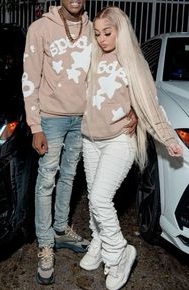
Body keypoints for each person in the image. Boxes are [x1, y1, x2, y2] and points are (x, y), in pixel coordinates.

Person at [22, 1, 137, 286]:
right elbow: (29, 79)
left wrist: (133, 106)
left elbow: (120, 68)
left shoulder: (94, 30)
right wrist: (35, 125)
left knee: (70, 177)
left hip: (84, 120)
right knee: (47, 178)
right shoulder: (39, 28)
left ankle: (61, 228)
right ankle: (46, 243)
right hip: (51, 118)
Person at [79, 6, 183, 290]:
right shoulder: (92, 57)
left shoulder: (133, 63)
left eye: (107, 33)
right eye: (97, 33)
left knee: (101, 198)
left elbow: (151, 104)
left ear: (120, 31)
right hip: (90, 140)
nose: (101, 39)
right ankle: (98, 243)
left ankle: (119, 253)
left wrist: (168, 138)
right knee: (94, 198)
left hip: (119, 141)